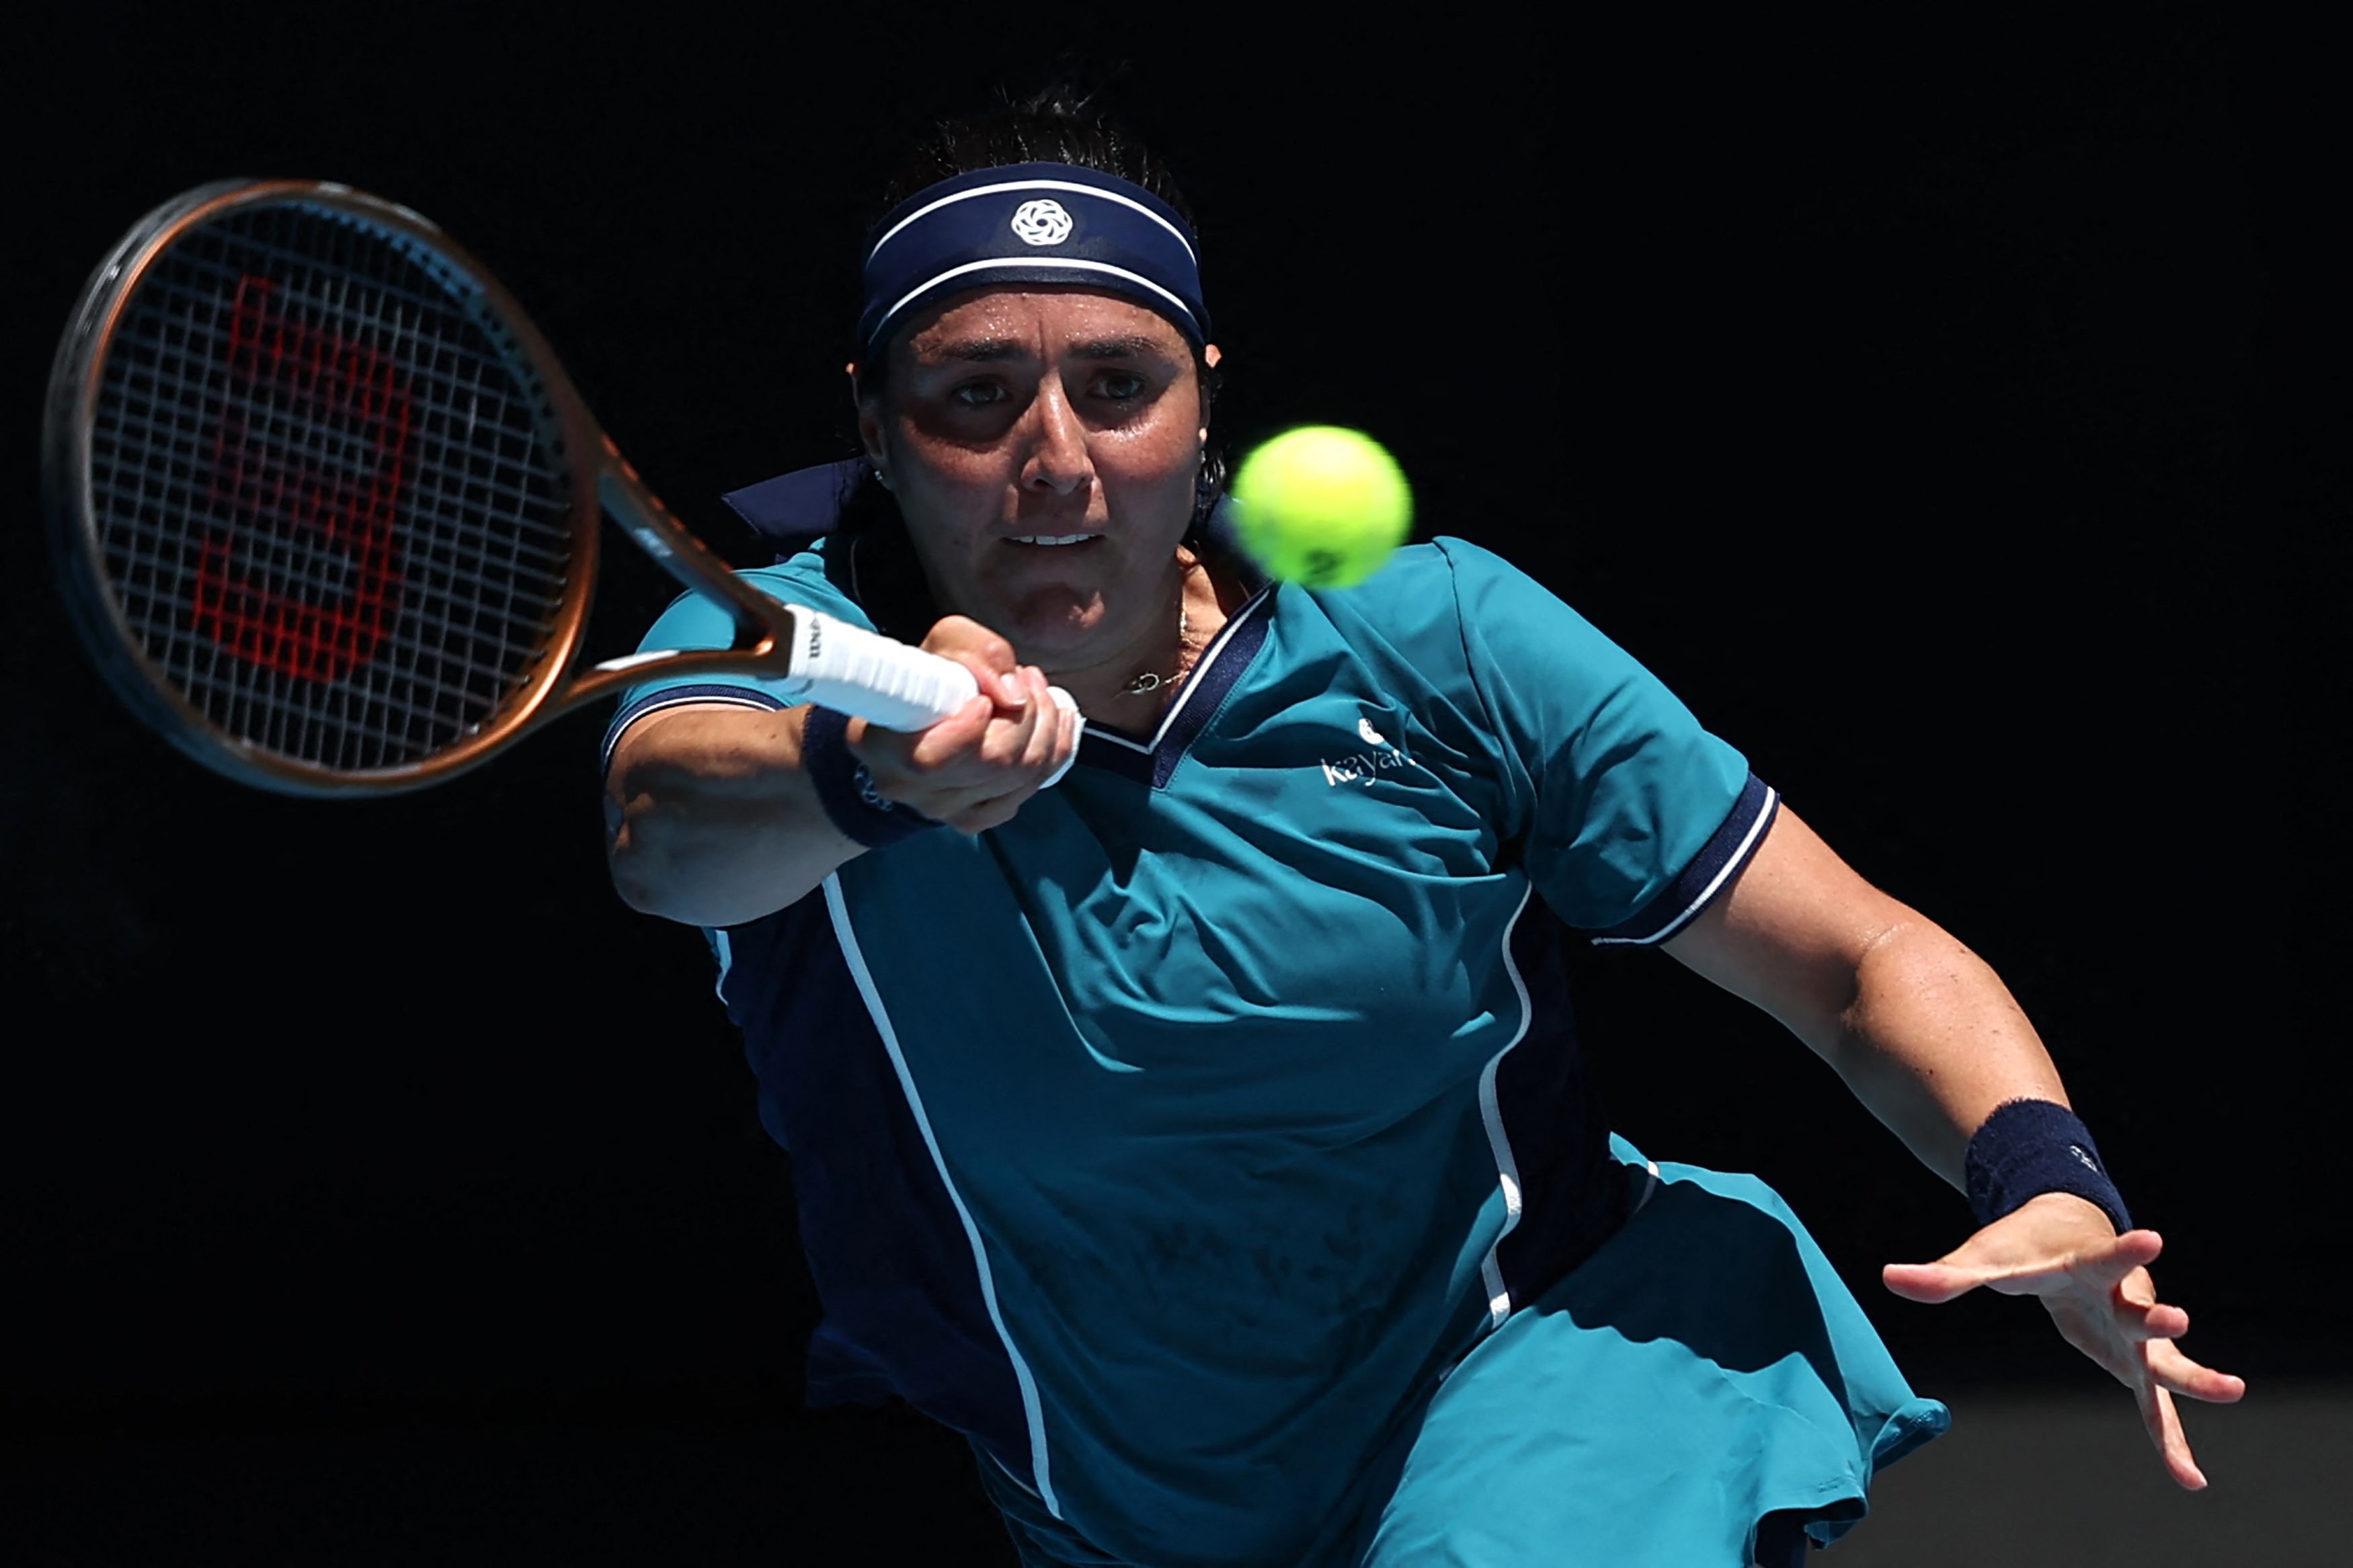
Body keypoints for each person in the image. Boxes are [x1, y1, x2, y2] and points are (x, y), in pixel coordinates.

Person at [600, 89, 2243, 1568]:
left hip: (1541, 1369)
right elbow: (666, 830)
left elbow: (1849, 958)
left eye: (1117, 388)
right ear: (875, 423)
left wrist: (2045, 1176)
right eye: (975, 395)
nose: (1056, 460)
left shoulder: (1434, 638)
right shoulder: (780, 652)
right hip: (1105, 1507)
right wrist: (870, 775)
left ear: (1202, 408)